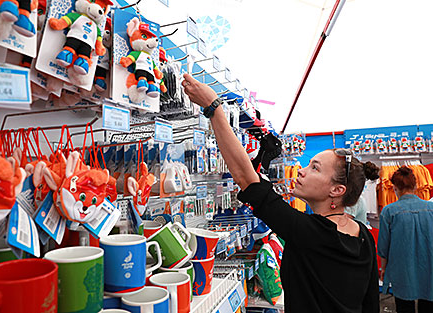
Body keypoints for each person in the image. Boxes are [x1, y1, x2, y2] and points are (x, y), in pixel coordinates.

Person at [182, 73, 380, 313]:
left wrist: (214, 107)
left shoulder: (310, 233)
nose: (301, 170)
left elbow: (247, 179)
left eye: (314, 168)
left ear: (337, 190)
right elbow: (370, 303)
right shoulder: (363, 237)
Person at [377, 166, 433, 313]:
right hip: (429, 266)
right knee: (428, 304)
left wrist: (383, 269)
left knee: (404, 307)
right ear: (415, 186)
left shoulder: (389, 211)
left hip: (402, 268)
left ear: (395, 188)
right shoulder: (431, 208)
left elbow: (384, 247)